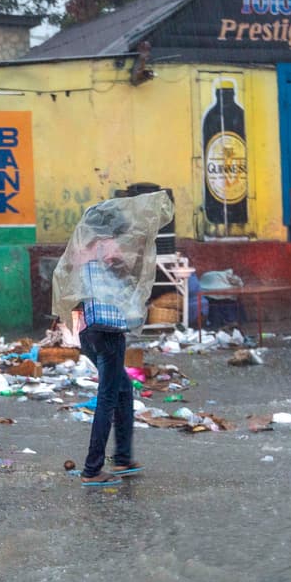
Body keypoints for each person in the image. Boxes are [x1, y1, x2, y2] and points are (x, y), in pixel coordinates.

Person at [52, 192, 172, 486]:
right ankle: (93, 468)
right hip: (108, 329)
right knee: (108, 396)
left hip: (88, 329)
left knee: (122, 387)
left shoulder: (79, 250)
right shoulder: (107, 245)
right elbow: (123, 269)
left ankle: (122, 457)